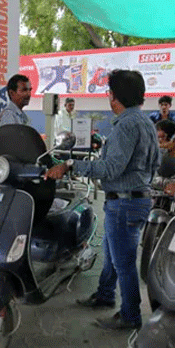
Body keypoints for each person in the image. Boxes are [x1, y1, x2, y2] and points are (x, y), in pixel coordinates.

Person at [46, 69, 159, 330]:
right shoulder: (145, 123)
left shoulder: (126, 125)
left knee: (123, 263)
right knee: (111, 253)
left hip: (124, 203)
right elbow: (154, 163)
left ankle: (130, 315)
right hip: (134, 199)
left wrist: (71, 164)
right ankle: (105, 295)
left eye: (109, 92)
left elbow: (111, 169)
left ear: (113, 97)